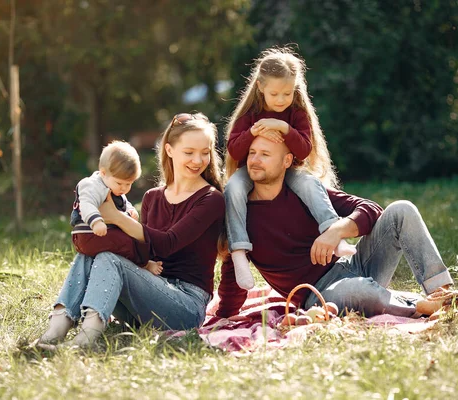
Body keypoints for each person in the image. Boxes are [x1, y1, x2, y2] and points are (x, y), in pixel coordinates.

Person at [37, 112, 225, 348]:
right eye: (189, 152)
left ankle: (86, 339)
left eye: (205, 153)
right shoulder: (152, 197)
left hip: (184, 308)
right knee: (93, 252)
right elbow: (141, 249)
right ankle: (55, 331)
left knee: (110, 259)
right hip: (143, 302)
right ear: (169, 150)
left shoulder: (211, 199)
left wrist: (115, 216)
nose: (197, 160)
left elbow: (167, 243)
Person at [216, 136, 454, 319]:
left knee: (402, 210)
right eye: (252, 153)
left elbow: (370, 209)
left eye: (265, 154)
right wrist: (225, 314)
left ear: (286, 161)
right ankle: (418, 309)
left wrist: (336, 232)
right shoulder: (241, 213)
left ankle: (441, 293)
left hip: (354, 266)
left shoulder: (304, 193)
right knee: (360, 291)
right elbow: (232, 267)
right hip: (318, 294)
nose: (254, 160)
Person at [224, 47, 355, 290]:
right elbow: (233, 150)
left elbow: (304, 150)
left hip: (289, 169)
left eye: (287, 93)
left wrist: (282, 127)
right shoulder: (250, 114)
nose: (282, 100)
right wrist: (252, 132)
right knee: (233, 187)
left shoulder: (296, 113)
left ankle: (334, 234)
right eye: (275, 93)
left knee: (308, 182)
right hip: (252, 169)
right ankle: (239, 251)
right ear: (260, 87)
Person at [70, 140, 159, 274]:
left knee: (128, 239)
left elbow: (122, 203)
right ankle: (144, 264)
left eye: (129, 184)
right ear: (103, 173)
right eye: (120, 183)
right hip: (89, 234)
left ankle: (136, 262)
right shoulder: (92, 185)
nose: (124, 188)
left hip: (100, 235)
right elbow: (86, 203)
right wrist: (96, 222)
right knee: (126, 243)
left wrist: (130, 211)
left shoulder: (113, 187)